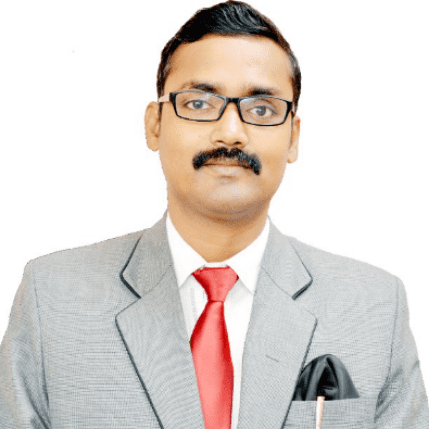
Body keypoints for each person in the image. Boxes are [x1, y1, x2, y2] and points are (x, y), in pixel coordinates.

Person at [1, 1, 428, 428]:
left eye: (261, 109)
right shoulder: (52, 299)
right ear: (154, 124)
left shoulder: (374, 307)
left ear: (293, 137)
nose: (230, 132)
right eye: (200, 103)